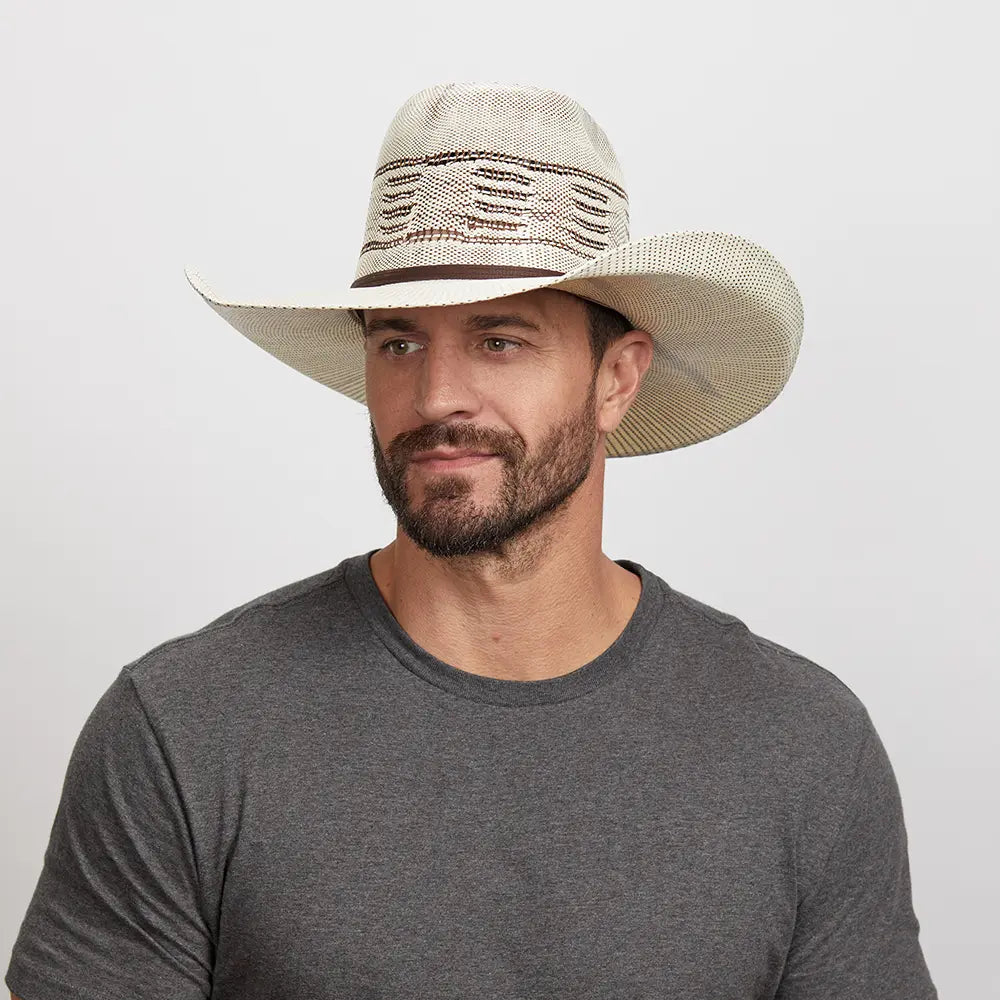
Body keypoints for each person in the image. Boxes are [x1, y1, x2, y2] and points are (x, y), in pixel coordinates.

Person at [6, 82, 938, 999]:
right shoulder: (185, 732)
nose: (437, 396)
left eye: (499, 340)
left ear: (617, 379)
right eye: (399, 344)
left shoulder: (801, 747)